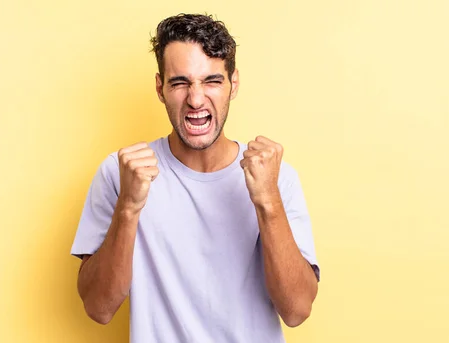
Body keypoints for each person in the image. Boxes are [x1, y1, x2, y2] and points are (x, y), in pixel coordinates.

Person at [70, 13, 320, 343]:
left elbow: (297, 310)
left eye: (212, 81)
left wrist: (268, 202)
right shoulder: (121, 172)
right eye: (180, 82)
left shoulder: (277, 177)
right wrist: (128, 208)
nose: (196, 99)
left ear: (234, 84)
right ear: (160, 87)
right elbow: (99, 309)